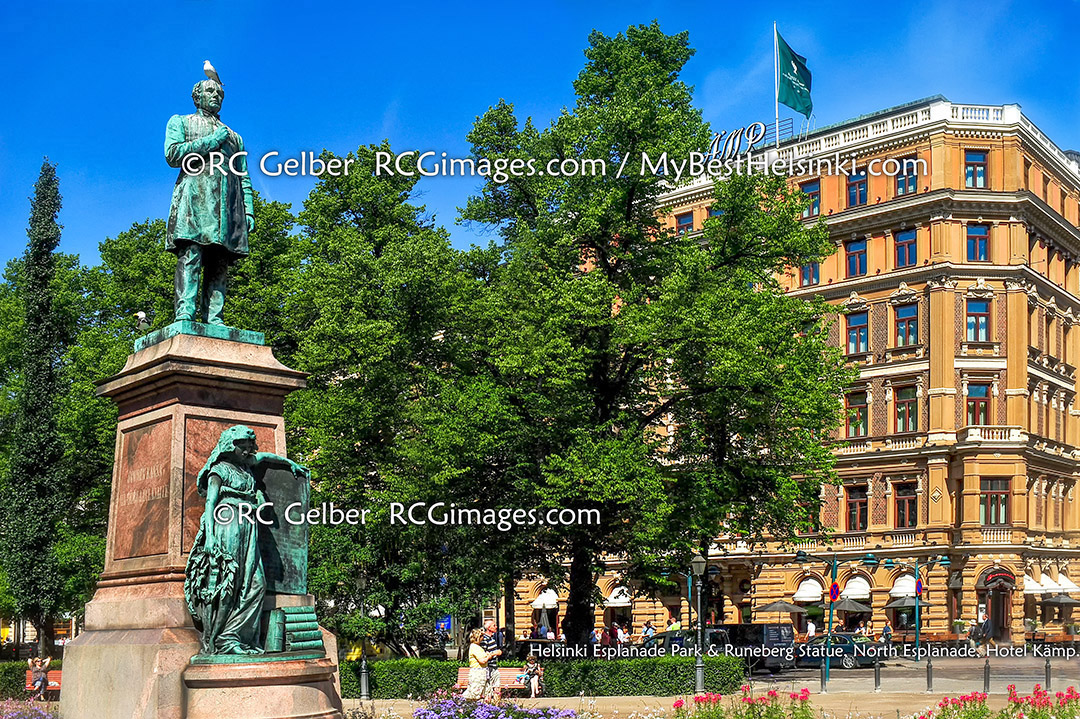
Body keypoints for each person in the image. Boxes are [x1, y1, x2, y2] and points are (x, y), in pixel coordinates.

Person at [184, 425, 308, 655]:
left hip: (248, 526)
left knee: (257, 583)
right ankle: (222, 639)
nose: (250, 451)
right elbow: (210, 504)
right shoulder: (219, 470)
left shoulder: (247, 466)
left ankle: (236, 635)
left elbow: (265, 457)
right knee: (230, 583)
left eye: (251, 446)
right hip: (227, 525)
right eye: (245, 447)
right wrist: (210, 538)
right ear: (232, 447)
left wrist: (289, 463)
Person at [165, 72, 255, 325]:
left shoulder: (235, 137)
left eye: (220, 94)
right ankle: (184, 313)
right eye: (210, 92)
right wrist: (210, 142)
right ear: (197, 97)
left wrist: (248, 209)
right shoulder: (181, 122)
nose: (216, 96)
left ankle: (214, 318)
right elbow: (172, 155)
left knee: (220, 261)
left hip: (228, 204)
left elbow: (243, 174)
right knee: (191, 255)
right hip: (194, 198)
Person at [462, 629, 500, 700]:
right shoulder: (474, 647)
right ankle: (463, 704)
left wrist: (487, 654)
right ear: (477, 637)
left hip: (483, 672)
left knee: (485, 693)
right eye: (482, 636)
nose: (483, 638)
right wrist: (489, 656)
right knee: (475, 694)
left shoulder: (478, 647)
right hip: (477, 673)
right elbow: (482, 661)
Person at [480, 618, 503, 701]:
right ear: (489, 628)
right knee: (488, 690)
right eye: (494, 625)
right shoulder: (484, 639)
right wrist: (495, 653)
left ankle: (496, 706)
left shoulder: (492, 638)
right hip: (488, 668)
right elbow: (483, 654)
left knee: (497, 687)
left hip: (494, 667)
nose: (496, 627)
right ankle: (488, 707)